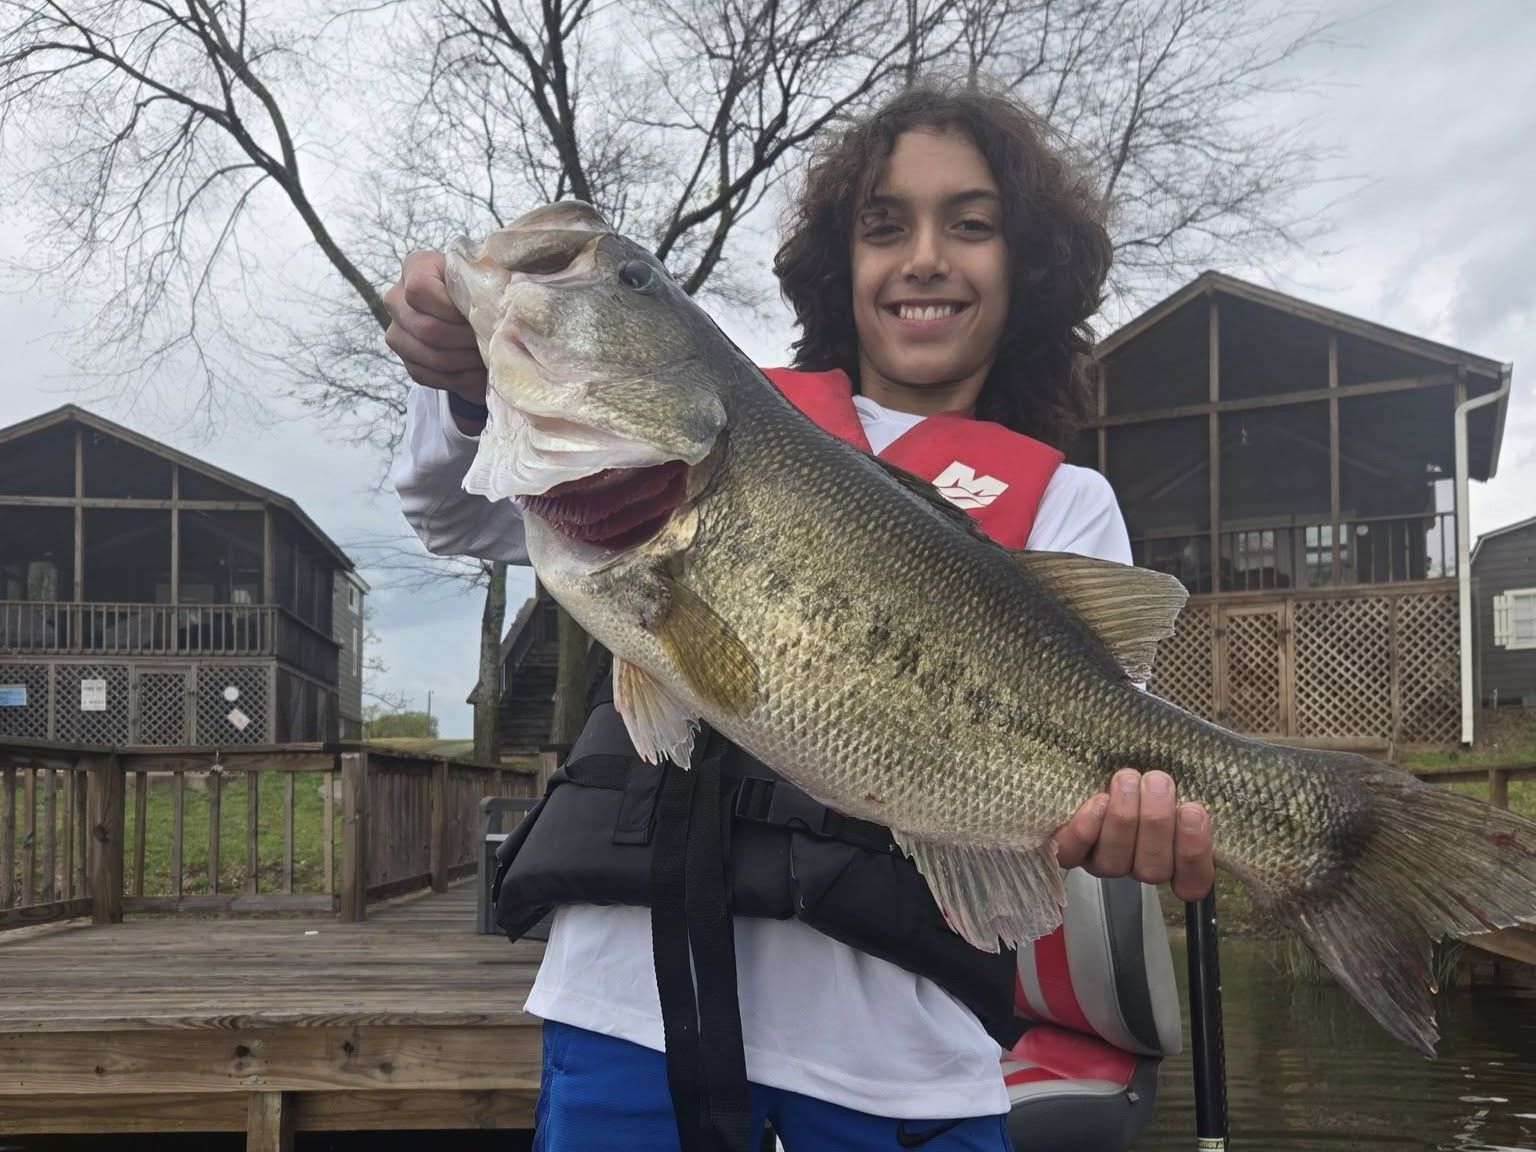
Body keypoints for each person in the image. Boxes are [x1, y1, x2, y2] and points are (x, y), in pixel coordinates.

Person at [386, 82, 1215, 1152]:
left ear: (1030, 266)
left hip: (907, 1061)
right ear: (839, 258)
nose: (924, 256)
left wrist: (1145, 817)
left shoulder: (1065, 502)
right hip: (630, 1006)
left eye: (971, 224)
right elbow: (453, 508)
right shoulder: (710, 420)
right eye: (884, 226)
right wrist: (462, 377)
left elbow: (1105, 760)